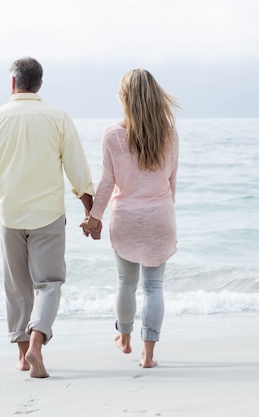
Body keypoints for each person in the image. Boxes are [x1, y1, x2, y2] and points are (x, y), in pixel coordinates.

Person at [0, 57, 96, 378]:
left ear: (12, 83)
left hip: (9, 216)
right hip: (48, 215)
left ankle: (23, 357)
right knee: (49, 284)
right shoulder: (57, 118)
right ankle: (38, 343)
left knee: (17, 287)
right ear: (39, 84)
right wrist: (90, 211)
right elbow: (78, 170)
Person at [81, 69, 179, 368]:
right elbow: (171, 180)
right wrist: (162, 211)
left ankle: (124, 338)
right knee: (154, 287)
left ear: (125, 98)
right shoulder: (170, 133)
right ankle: (148, 355)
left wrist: (94, 217)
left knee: (126, 283)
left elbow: (107, 182)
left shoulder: (113, 134)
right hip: (160, 216)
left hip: (124, 217)